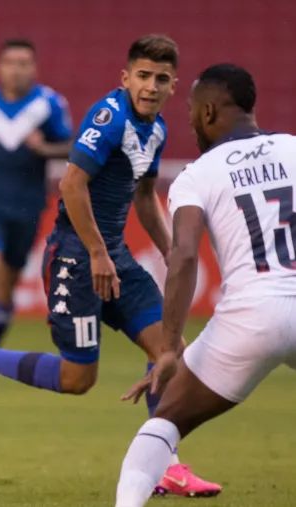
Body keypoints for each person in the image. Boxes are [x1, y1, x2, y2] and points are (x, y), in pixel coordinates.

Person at [0, 34, 221, 497]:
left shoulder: (156, 129)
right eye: (144, 76)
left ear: (175, 86)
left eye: (162, 79)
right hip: (76, 256)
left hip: (114, 258)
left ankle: (166, 466)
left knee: (171, 354)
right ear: (126, 78)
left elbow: (146, 196)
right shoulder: (108, 117)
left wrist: (170, 250)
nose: (151, 86)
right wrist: (95, 253)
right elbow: (72, 185)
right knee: (78, 379)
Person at [115, 63, 290, 506]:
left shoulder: (199, 174)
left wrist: (170, 347)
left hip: (251, 317)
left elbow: (185, 255)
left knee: (165, 421)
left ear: (210, 110)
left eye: (192, 109)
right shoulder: (293, 148)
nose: (189, 119)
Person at [0, 39, 73, 393]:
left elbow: (70, 145)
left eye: (24, 63)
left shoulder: (48, 104)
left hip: (28, 205)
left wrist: (45, 148)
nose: (17, 69)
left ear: (34, 68)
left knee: (6, 287)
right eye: (11, 62)